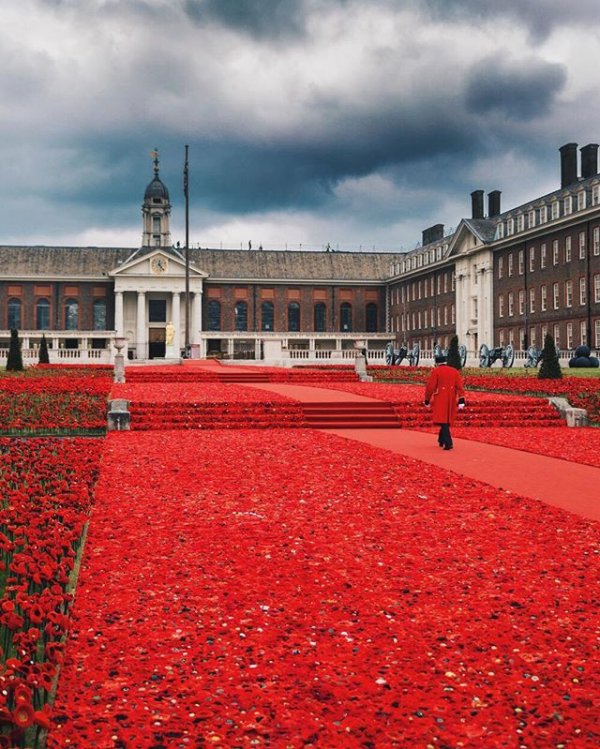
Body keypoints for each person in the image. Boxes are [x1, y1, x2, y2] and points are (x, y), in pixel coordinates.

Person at [423, 354, 466, 450]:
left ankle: (448, 442)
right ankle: (441, 439)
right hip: (451, 396)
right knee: (446, 419)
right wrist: (461, 398)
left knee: (443, 420)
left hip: (440, 397)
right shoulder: (454, 371)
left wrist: (427, 399)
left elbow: (430, 387)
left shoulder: (436, 371)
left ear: (437, 363)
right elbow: (459, 386)